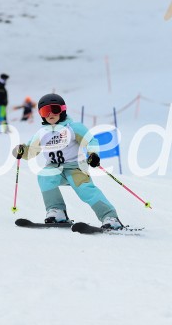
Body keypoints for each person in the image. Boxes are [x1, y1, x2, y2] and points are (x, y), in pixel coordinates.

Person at [12, 93, 124, 229]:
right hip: (54, 168)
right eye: (45, 111)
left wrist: (93, 154)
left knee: (85, 190)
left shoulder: (72, 127)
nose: (50, 114)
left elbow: (90, 141)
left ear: (62, 110)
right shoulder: (42, 133)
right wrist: (21, 150)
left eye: (54, 109)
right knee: (44, 175)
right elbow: (31, 150)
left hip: (75, 168)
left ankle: (110, 217)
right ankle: (57, 212)